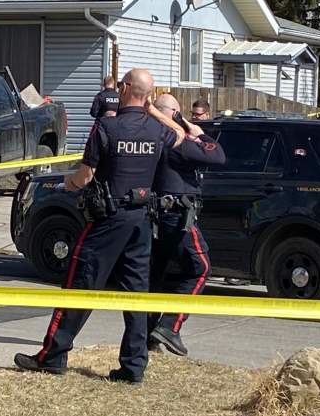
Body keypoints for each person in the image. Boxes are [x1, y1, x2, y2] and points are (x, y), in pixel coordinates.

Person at [13, 69, 208, 384]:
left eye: (122, 84)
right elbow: (183, 136)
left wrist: (68, 183)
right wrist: (155, 111)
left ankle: (52, 355)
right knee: (137, 295)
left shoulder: (107, 126)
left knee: (79, 286)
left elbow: (85, 176)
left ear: (127, 88)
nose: (118, 88)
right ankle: (133, 366)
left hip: (108, 220)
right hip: (142, 222)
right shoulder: (157, 130)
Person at [145, 92, 226, 357]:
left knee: (154, 277)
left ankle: (146, 338)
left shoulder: (147, 133)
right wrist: (198, 133)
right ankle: (170, 327)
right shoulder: (173, 138)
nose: (181, 118)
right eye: (178, 113)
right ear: (170, 114)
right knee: (200, 268)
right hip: (176, 216)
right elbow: (217, 157)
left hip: (154, 217)